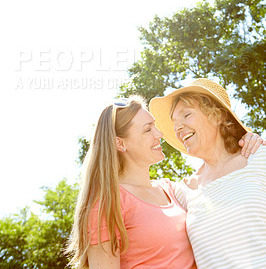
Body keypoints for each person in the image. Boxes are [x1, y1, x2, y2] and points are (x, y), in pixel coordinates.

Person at [67, 93, 262, 269]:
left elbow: (222, 194)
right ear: (120, 143)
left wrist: (248, 140)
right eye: (147, 130)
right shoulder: (107, 202)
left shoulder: (173, 191)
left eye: (155, 127)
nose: (160, 134)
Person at [149, 78, 266, 269]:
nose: (177, 127)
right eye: (174, 123)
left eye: (186, 115)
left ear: (217, 116)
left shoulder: (259, 158)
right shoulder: (183, 192)